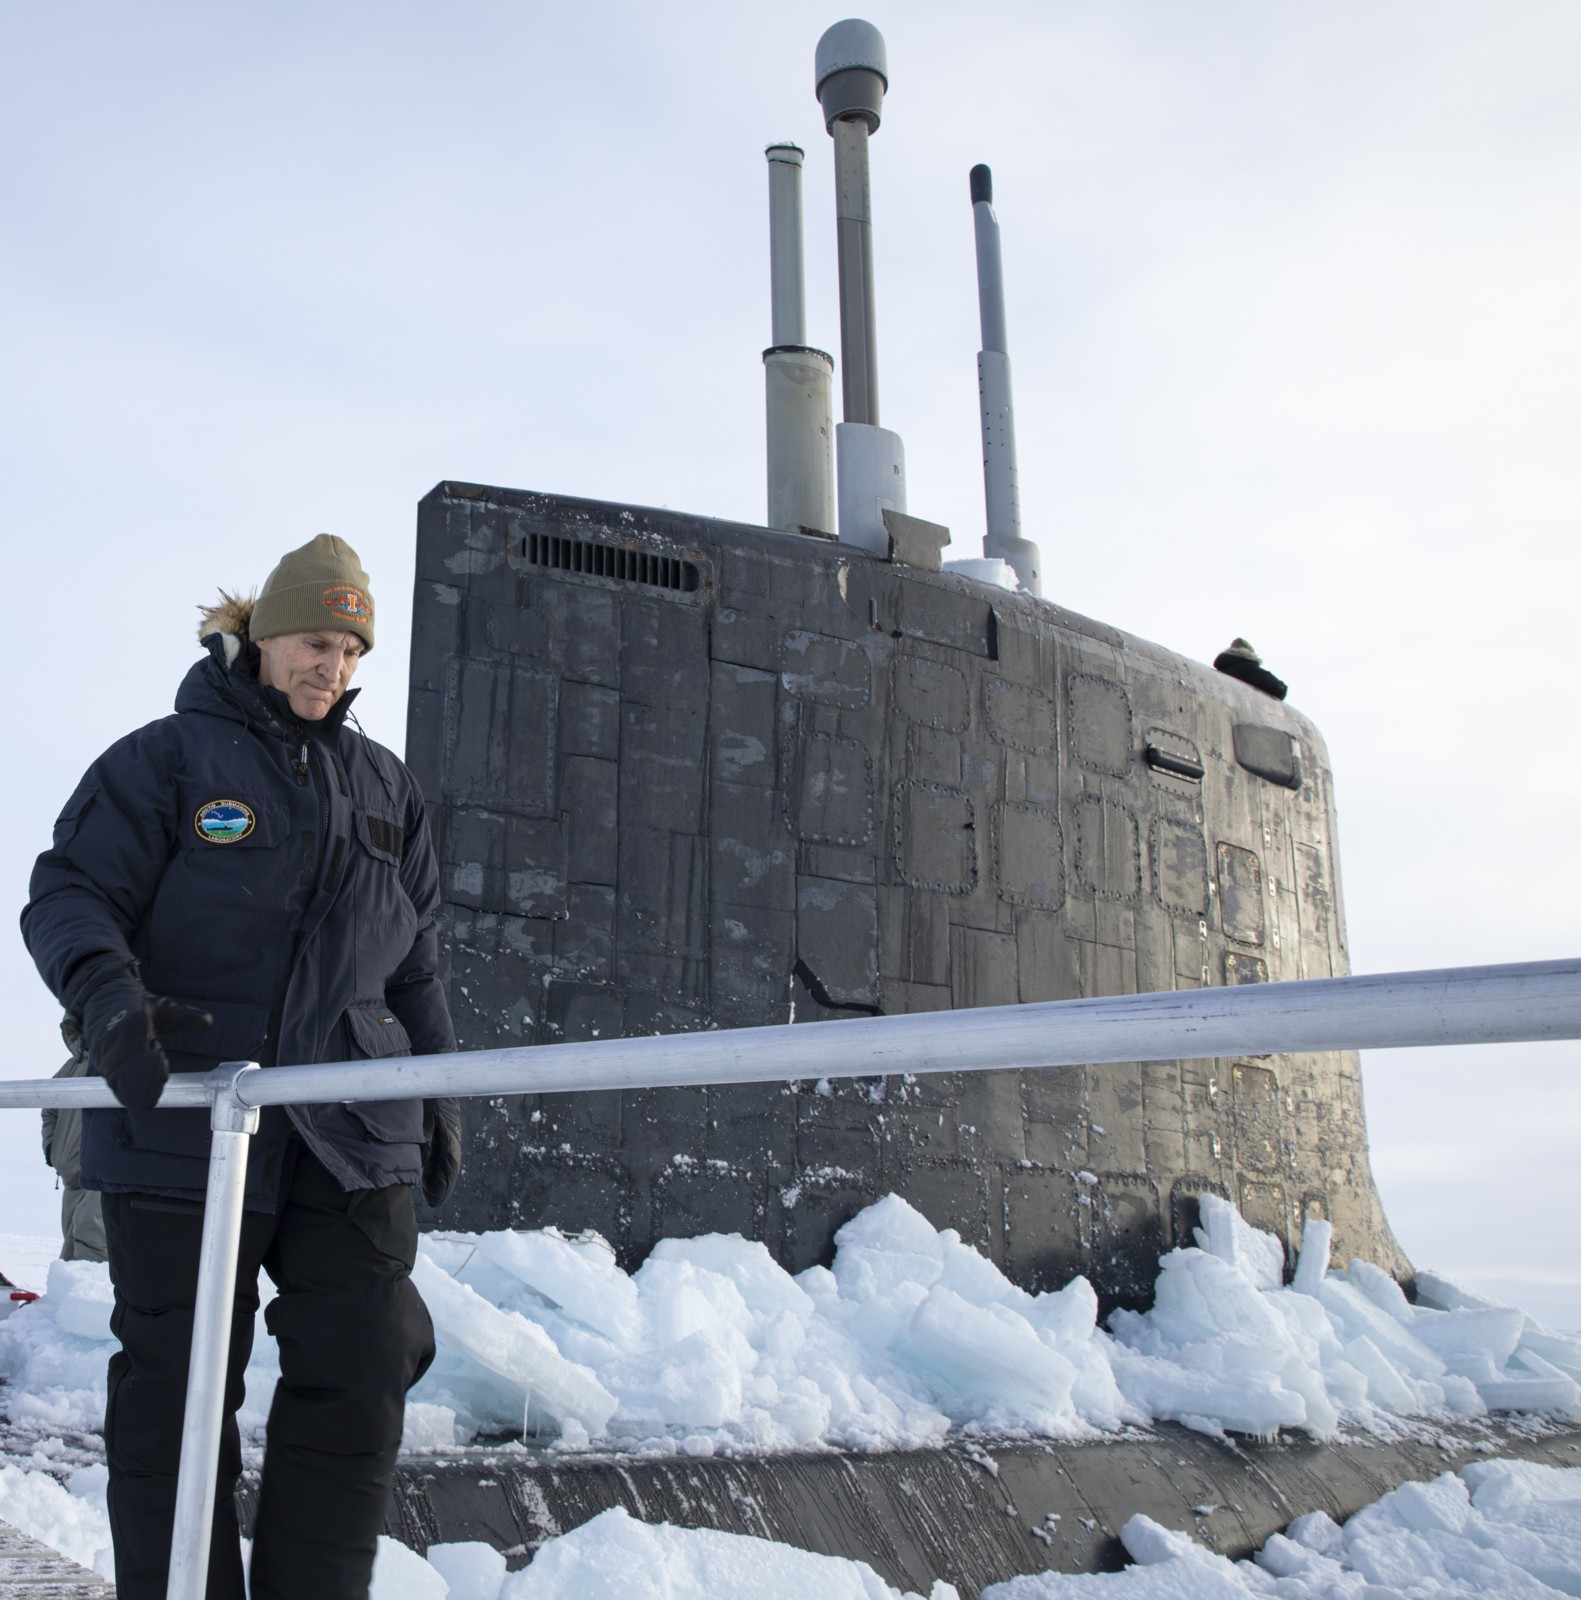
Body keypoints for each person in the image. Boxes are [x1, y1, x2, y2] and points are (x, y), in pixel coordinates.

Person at [22, 535, 463, 1600]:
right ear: (265, 635)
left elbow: (416, 967)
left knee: (362, 1368)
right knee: (176, 1393)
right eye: (319, 641)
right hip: (184, 1119)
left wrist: (436, 1095)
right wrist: (110, 999)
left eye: (353, 650)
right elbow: (70, 896)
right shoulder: (164, 762)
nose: (335, 668)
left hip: (347, 1132)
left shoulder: (385, 790)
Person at [41, 1015, 108, 1263]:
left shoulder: (122, 1063)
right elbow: (48, 1108)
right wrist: (51, 1149)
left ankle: (91, 1300)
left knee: (92, 1239)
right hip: (71, 1178)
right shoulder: (71, 1067)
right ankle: (67, 1299)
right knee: (70, 1255)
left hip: (103, 1176)